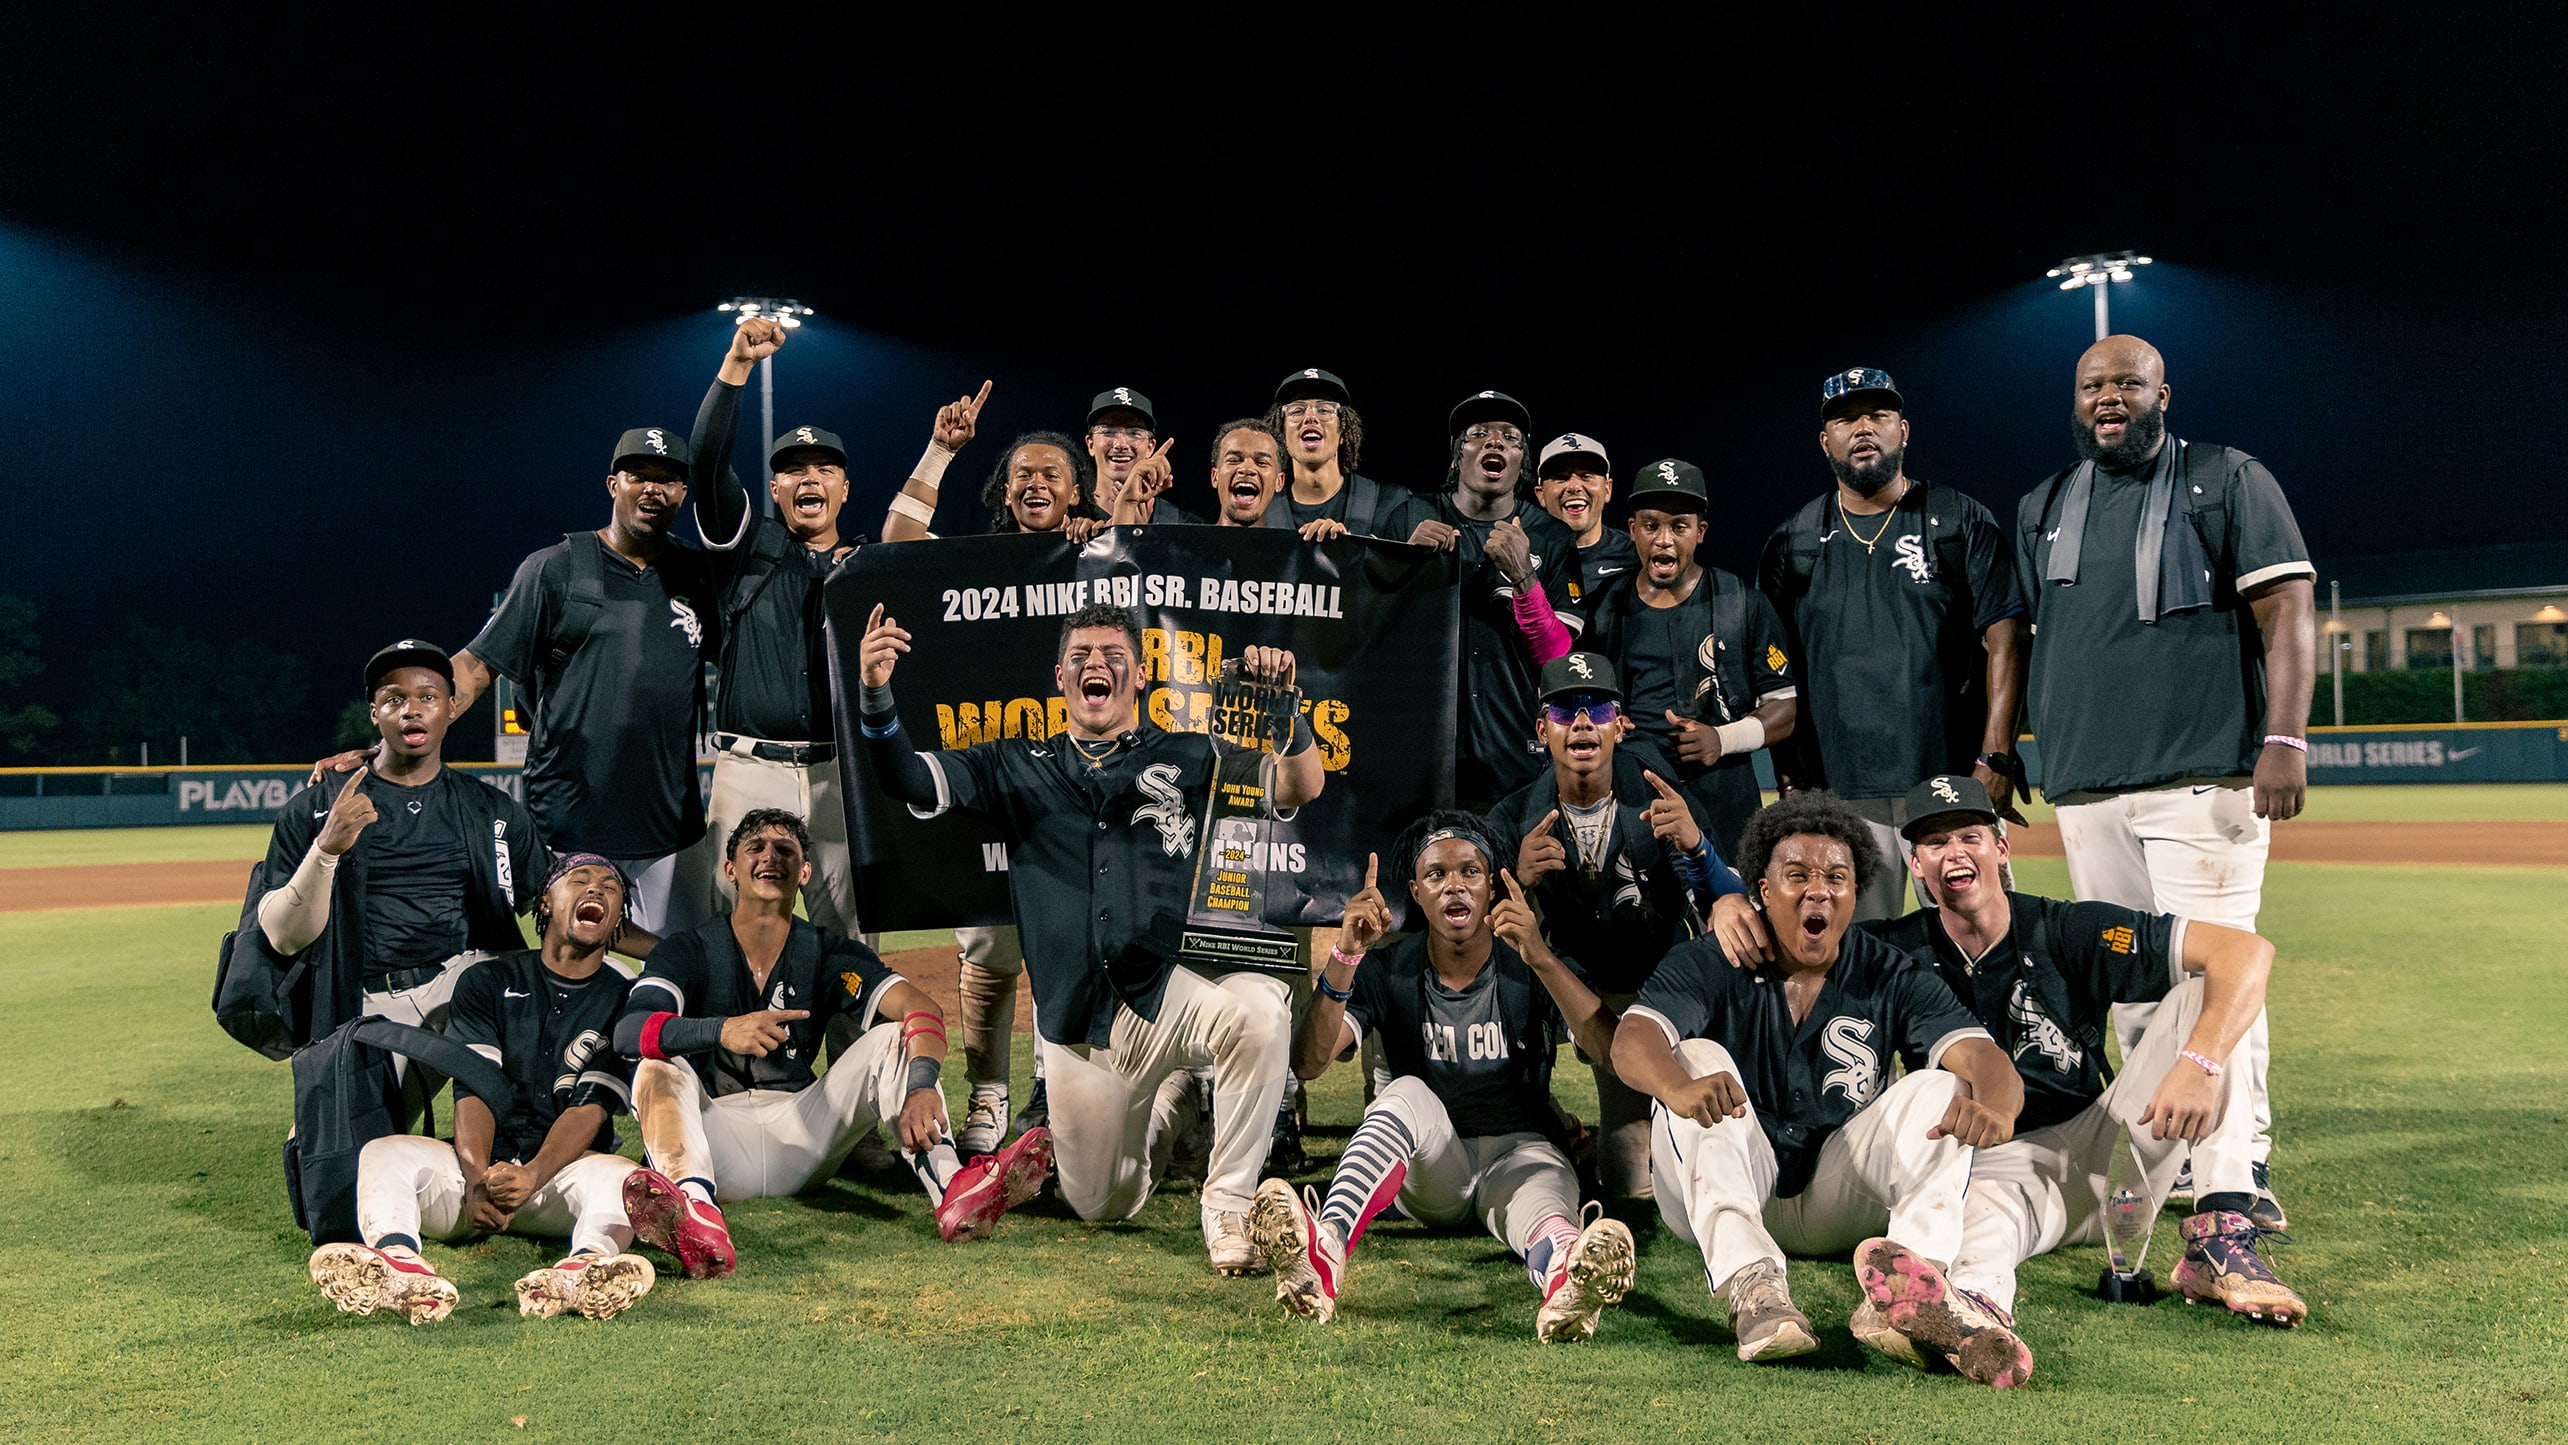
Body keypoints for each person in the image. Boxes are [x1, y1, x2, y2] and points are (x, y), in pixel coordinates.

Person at [857, 600, 1322, 1273]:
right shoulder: (1015, 762)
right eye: (1079, 656)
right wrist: (876, 695)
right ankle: (1173, 1108)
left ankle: (1228, 1205)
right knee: (1104, 1201)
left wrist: (1287, 716)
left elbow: (1301, 785)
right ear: (1060, 677)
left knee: (1260, 1011)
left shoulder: (1189, 753)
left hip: (1159, 997)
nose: (1094, 664)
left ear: (1140, 676)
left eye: (1112, 655)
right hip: (1073, 1025)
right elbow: (906, 777)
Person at [2015, 334, 2315, 1221]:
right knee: (2135, 985)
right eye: (2092, 386)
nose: (2108, 398)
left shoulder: (2226, 477)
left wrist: (2285, 738)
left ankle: (2238, 1165)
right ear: (2075, 401)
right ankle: (2174, 1157)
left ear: (2164, 394)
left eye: (2128, 383)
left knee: (2220, 978)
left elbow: (2288, 607)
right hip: (2086, 785)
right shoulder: (2044, 503)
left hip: (2202, 777)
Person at [1862, 774, 2303, 1356]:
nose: (1955, 853)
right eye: (1936, 843)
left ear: (2001, 848)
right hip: (1997, 1170)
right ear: (1916, 865)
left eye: (1970, 836)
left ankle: (2220, 1232)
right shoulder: (1894, 949)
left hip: (2110, 1147)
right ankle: (1973, 1318)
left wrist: (2198, 1063)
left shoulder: (2066, 928)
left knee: (2208, 998)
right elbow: (1794, 945)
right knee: (1988, 1225)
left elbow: (2246, 952)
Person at [1609, 791, 2033, 1387]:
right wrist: (1676, 1087)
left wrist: (1999, 1108)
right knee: (1698, 1059)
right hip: (1726, 1184)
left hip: (1836, 1193)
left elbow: (1984, 1058)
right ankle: (1754, 1287)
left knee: (1943, 1087)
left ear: (1856, 892)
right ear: (1762, 889)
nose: (1818, 891)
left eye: (1836, 877)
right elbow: (1632, 1040)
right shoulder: (1715, 958)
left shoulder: (1886, 969)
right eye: (1798, 876)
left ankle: (1912, 1293)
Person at [1247, 814, 1635, 1341]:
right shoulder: (1390, 968)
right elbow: (1309, 1063)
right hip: (1435, 1165)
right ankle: (1325, 1248)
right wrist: (1346, 957)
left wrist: (1542, 958)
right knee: (1405, 1093)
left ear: (1492, 885)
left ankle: (1567, 1280)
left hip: (1520, 1156)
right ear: (1416, 893)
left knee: (1547, 1208)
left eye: (1470, 871)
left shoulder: (1530, 962)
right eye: (1436, 875)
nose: (1455, 885)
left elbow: (1610, 1051)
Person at [613, 809, 1049, 1274]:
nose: (770, 857)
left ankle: (952, 1186)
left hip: (801, 1135)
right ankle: (695, 1211)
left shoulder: (825, 951)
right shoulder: (687, 949)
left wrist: (921, 1084)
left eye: (785, 850)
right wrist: (722, 1030)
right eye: (755, 848)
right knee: (655, 1064)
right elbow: (628, 1031)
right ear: (730, 870)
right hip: (713, 1141)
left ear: (805, 872)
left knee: (892, 1037)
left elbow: (920, 1007)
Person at [689, 317, 991, 936]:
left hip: (841, 774)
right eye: (794, 470)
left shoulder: (868, 566)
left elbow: (918, 541)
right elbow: (706, 463)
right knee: (728, 936)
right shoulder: (743, 546)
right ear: (774, 488)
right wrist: (736, 366)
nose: (810, 479)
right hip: (750, 770)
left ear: (845, 489)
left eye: (825, 469)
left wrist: (940, 451)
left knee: (852, 942)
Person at [307, 855, 656, 1324]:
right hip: (476, 1178)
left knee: (625, 1178)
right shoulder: (488, 980)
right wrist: (476, 1181)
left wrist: (532, 1175)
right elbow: (475, 1087)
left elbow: (590, 1108)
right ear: (546, 902)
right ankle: (400, 1264)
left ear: (618, 921)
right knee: (384, 1152)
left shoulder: (627, 997)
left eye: (611, 888)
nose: (596, 890)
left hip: (562, 1176)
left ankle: (583, 1269)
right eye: (580, 880)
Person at [1758, 367, 2028, 921]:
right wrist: (1789, 781)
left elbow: (2008, 638)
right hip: (1838, 792)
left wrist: (1996, 758)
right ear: (1825, 441)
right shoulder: (1794, 541)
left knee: (1982, 936)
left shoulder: (1958, 520)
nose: (1863, 428)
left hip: (1951, 783)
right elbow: (1774, 676)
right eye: (1845, 419)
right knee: (1857, 952)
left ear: (1902, 431)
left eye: (1878, 415)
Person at [1484, 652, 1755, 1198]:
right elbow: (1470, 934)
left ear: (1621, 725)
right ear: (1542, 729)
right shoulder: (1513, 818)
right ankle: (1538, 1118)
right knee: (1627, 1175)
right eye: (1565, 711)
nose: (1582, 723)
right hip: (1576, 995)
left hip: (1659, 986)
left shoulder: (1662, 797)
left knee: (1636, 1172)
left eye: (1598, 709)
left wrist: (1699, 850)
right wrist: (1518, 878)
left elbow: (1726, 894)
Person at [439, 421, 720, 934]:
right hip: (571, 823)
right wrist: (393, 746)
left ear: (684, 493)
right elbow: (475, 668)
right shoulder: (557, 568)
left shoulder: (697, 576)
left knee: (684, 966)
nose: (653, 488)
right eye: (638, 475)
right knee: (577, 968)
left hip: (671, 829)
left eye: (667, 479)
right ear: (613, 484)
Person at [249, 641, 555, 1061]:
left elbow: (551, 899)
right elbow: (284, 939)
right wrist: (325, 850)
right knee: (340, 1107)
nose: (412, 710)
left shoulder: (489, 808)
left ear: (451, 707)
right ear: (375, 714)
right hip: (362, 1003)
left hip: (461, 986)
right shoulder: (317, 808)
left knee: (584, 990)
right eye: (394, 700)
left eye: (428, 697)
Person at [1581, 458, 1797, 860]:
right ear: (1633, 530)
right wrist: (1605, 720)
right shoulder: (1605, 609)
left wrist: (1722, 739)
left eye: (1679, 526)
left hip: (1725, 799)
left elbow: (1784, 709)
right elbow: (1584, 701)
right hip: (1633, 801)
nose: (1664, 539)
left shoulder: (1742, 604)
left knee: (1732, 898)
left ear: (1701, 532)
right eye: (1651, 525)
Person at [1384, 390, 1587, 806]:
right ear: (1457, 456)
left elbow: (1557, 660)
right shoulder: (1410, 517)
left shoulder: (1550, 536)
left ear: (1522, 464)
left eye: (1511, 438)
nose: (1495, 442)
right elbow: (1376, 636)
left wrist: (1524, 577)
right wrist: (1405, 566)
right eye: (1478, 434)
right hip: (1418, 750)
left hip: (1512, 754)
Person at [1260, 368, 1402, 538]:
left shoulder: (1389, 505)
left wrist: (1350, 546)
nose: (1310, 417)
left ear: (1343, 432)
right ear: (1282, 433)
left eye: (1324, 410)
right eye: (1297, 411)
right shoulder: (1259, 509)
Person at [1533, 433, 1637, 606]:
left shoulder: (1636, 556)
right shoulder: (1521, 556)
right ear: (1541, 494)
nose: (1574, 487)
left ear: (1607, 489)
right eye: (1561, 477)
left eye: (1586, 475)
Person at [1084, 386, 1197, 524]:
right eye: (1108, 432)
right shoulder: (1072, 518)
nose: (1121, 444)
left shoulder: (1181, 523)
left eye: (1134, 433)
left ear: (1150, 447)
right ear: (1090, 444)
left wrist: (1145, 534)